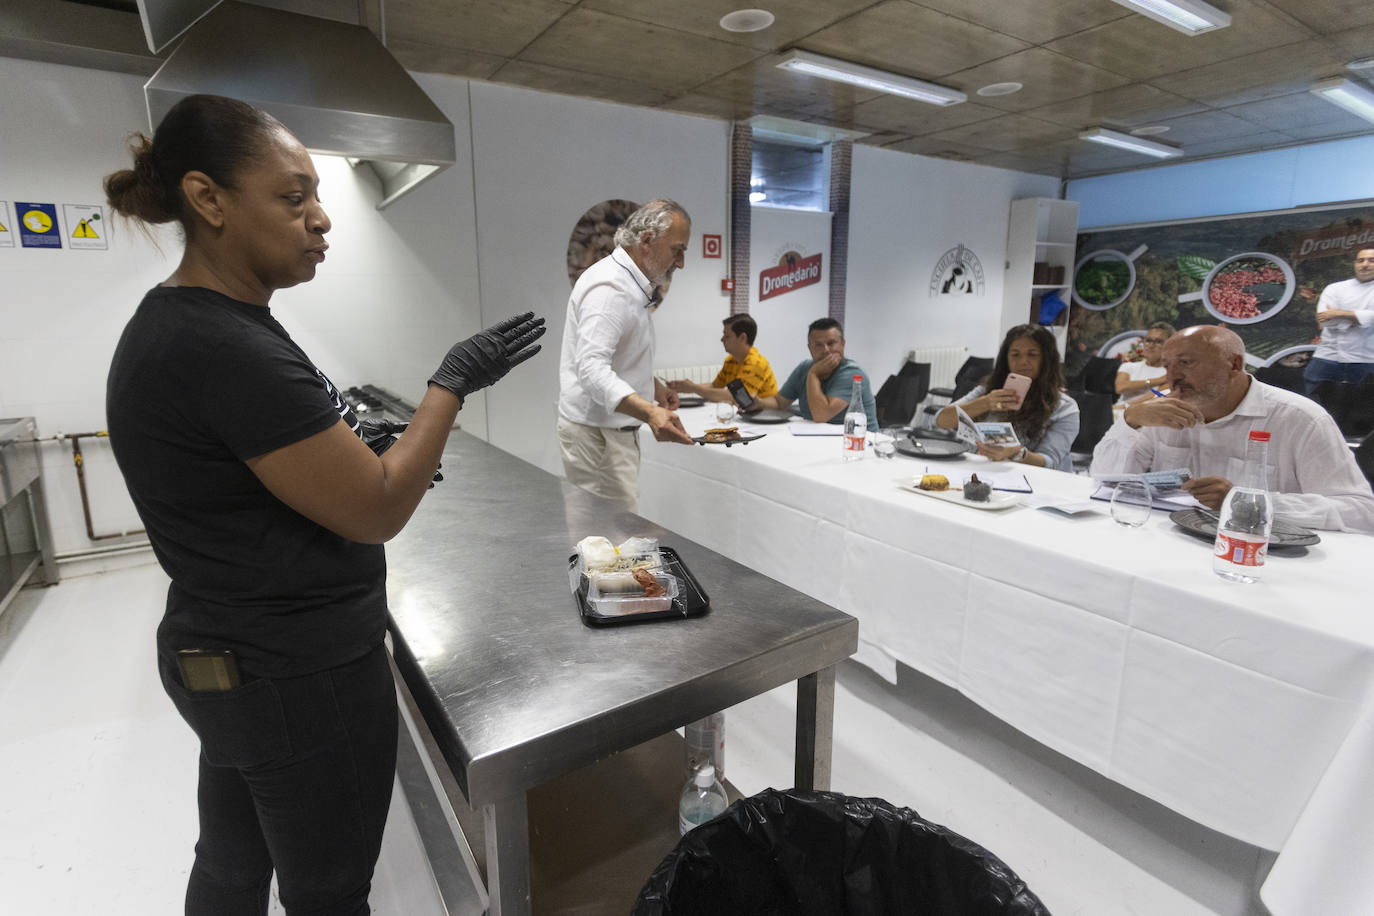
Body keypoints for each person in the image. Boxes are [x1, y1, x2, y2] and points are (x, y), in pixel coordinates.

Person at [102, 94, 545, 915]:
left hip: (223, 654)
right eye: (293, 196)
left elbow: (259, 470)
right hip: (297, 678)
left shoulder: (187, 324)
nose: (320, 220)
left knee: (233, 862)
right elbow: (376, 510)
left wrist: (359, 443)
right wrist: (450, 384)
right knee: (330, 893)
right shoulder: (225, 347)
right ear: (208, 199)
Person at [1092, 325, 1374, 533]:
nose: (1172, 376)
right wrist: (1130, 422)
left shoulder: (1299, 419)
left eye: (1186, 363)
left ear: (1235, 364)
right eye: (1168, 366)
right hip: (1169, 543)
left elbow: (1361, 511)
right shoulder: (1164, 412)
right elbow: (1104, 480)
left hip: (1260, 558)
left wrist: (1248, 502)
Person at [557, 198, 695, 510]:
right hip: (597, 434)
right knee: (607, 540)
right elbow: (591, 368)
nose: (681, 262)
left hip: (606, 429)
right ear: (647, 240)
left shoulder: (627, 282)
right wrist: (649, 411)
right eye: (678, 249)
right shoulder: (611, 289)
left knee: (611, 536)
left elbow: (621, 351)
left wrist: (653, 385)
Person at [936, 324, 1080, 472]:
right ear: (1006, 359)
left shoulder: (1065, 408)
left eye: (1032, 354)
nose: (1023, 361)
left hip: (1028, 481)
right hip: (977, 471)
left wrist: (1016, 453)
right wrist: (985, 403)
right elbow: (941, 420)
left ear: (1046, 359)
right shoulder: (988, 391)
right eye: (1015, 354)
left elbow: (1050, 462)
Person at [749, 317, 877, 427]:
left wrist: (813, 375)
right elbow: (779, 402)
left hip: (858, 444)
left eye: (831, 343)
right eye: (818, 345)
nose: (826, 350)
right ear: (810, 347)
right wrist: (759, 403)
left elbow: (821, 416)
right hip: (818, 440)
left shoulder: (852, 373)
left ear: (842, 344)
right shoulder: (804, 367)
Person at [1303, 247, 1374, 395]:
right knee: (1313, 402)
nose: (1365, 264)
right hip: (1327, 356)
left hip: (1367, 359)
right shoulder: (1335, 288)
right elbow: (1326, 321)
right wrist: (1359, 318)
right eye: (1360, 260)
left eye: (1371, 260)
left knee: (1364, 409)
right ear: (1355, 264)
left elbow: (1333, 317)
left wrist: (1339, 313)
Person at [667, 313, 778, 404]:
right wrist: (684, 387)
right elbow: (714, 386)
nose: (722, 339)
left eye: (727, 336)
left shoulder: (756, 363)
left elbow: (737, 397)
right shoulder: (730, 360)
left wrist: (694, 388)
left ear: (742, 338)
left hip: (763, 419)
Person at [1116, 322, 1174, 401]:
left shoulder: (1172, 373)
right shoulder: (1128, 366)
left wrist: (1125, 406)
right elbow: (1120, 387)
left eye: (1158, 341)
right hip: (1117, 411)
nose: (1151, 345)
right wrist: (1158, 380)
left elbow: (1157, 396)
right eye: (1148, 340)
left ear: (1170, 345)